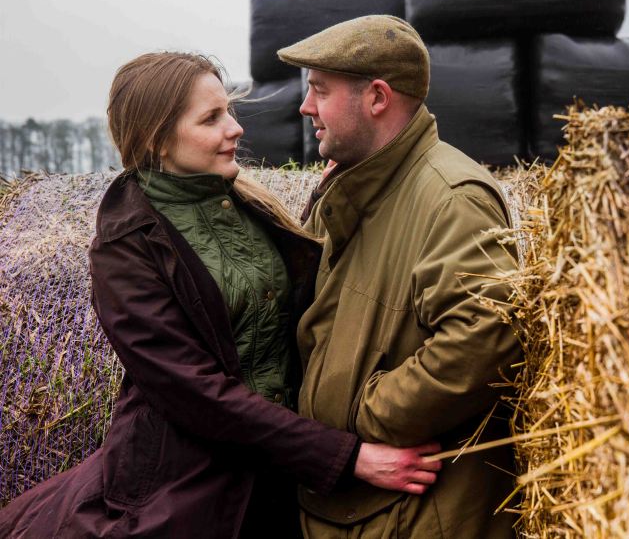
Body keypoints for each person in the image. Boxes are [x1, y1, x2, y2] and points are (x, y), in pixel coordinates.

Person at [0, 51, 441, 538]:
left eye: (228, 110)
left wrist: (339, 193)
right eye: (211, 118)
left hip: (286, 469)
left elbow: (302, 291)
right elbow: (197, 394)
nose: (235, 128)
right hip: (190, 485)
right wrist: (348, 457)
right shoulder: (126, 247)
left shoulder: (243, 201)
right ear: (156, 139)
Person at [277, 15, 522, 538]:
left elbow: (486, 336)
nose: (305, 106)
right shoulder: (353, 188)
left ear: (377, 98)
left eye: (320, 90)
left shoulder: (452, 198)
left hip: (412, 518)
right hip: (349, 507)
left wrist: (363, 415)